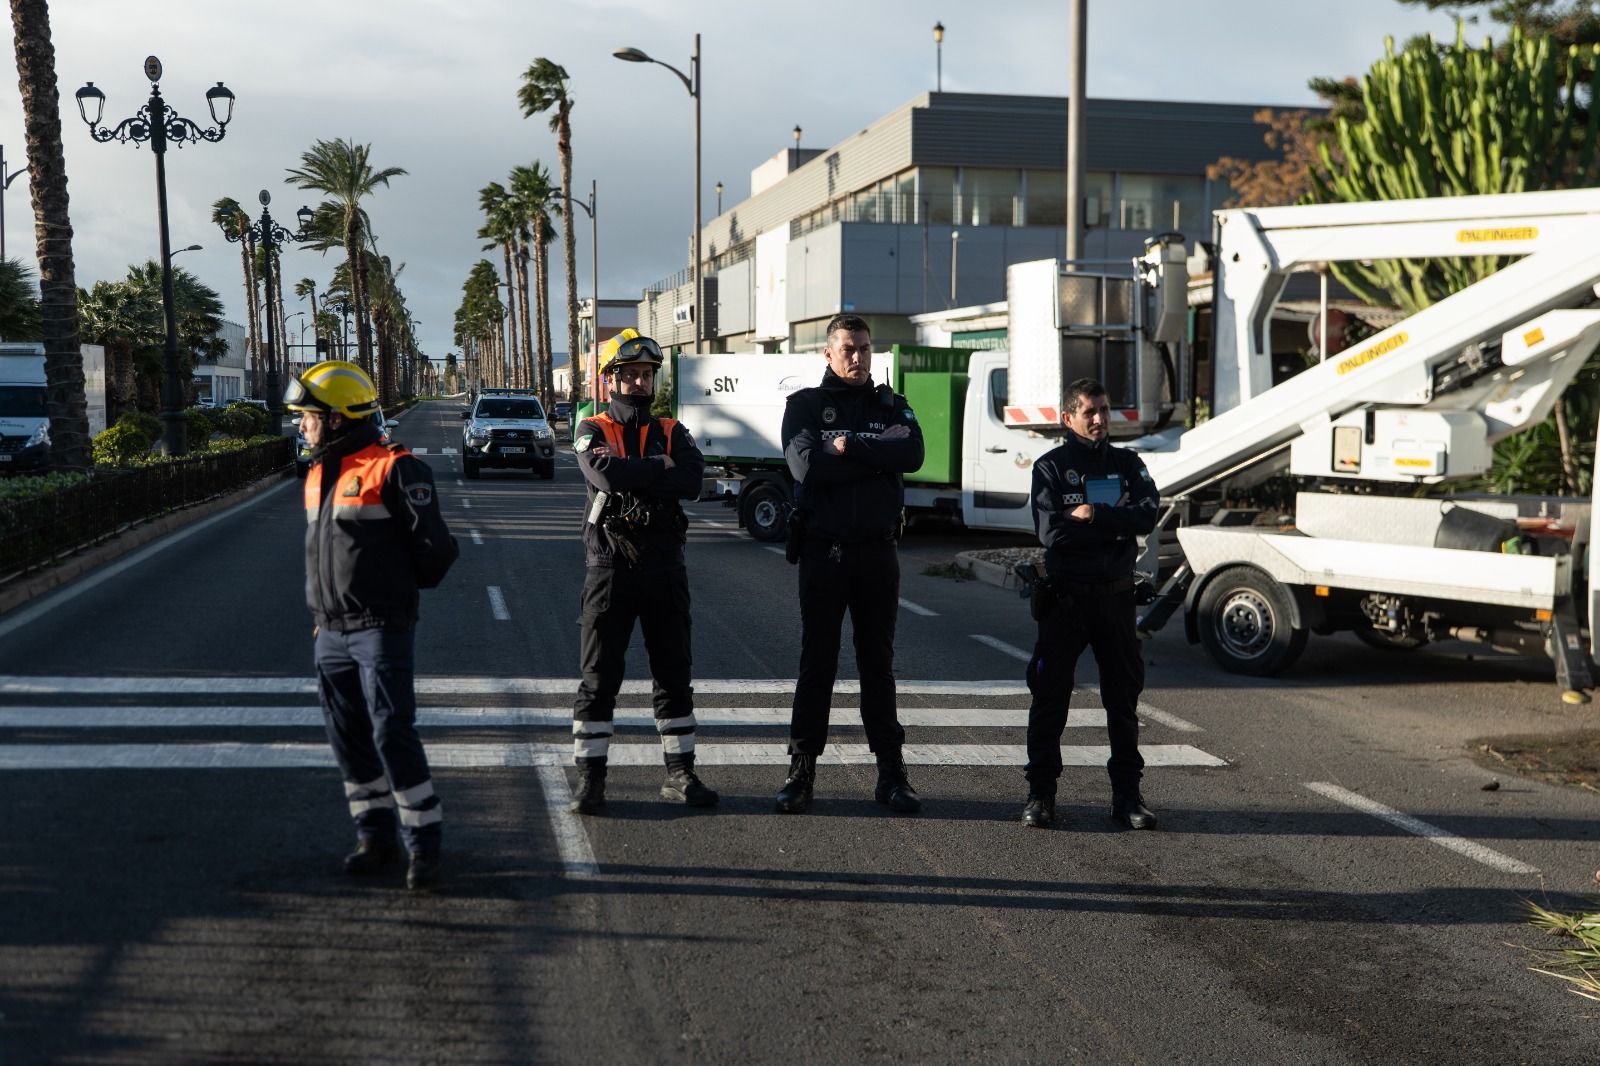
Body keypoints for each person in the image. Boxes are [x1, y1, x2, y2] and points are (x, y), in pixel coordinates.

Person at [286, 360, 459, 890]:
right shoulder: (315, 473)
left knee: (390, 730)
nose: (300, 424)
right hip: (330, 630)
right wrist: (323, 617)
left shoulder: (395, 468)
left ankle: (424, 846)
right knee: (347, 737)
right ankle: (374, 835)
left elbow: (436, 552)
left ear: (337, 418)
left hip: (379, 625)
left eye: (308, 416)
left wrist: (394, 599)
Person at [775, 313, 925, 814]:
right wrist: (875, 455)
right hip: (825, 553)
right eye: (847, 349)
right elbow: (806, 466)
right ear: (828, 353)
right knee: (816, 664)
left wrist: (851, 445)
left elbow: (914, 452)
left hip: (878, 554)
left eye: (863, 348)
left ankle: (891, 774)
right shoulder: (805, 406)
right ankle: (801, 771)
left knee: (877, 666)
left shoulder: (890, 403)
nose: (857, 357)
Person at [568, 329, 716, 814]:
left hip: (665, 568)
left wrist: (644, 467)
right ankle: (591, 780)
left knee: (674, 675)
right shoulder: (590, 426)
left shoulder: (674, 428)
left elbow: (693, 481)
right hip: (609, 568)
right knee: (599, 678)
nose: (638, 382)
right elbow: (605, 475)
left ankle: (681, 775)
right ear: (611, 379)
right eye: (629, 374)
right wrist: (660, 466)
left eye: (646, 374)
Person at [1022, 377, 1160, 830]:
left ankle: (1127, 797)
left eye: (1104, 410)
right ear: (1068, 418)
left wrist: (1095, 513)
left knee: (1122, 702)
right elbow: (1052, 533)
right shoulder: (1050, 467)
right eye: (1089, 412)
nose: (1100, 419)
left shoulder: (1127, 464)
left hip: (1116, 599)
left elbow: (1146, 514)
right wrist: (1114, 523)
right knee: (1050, 699)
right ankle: (1041, 794)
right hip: (1066, 600)